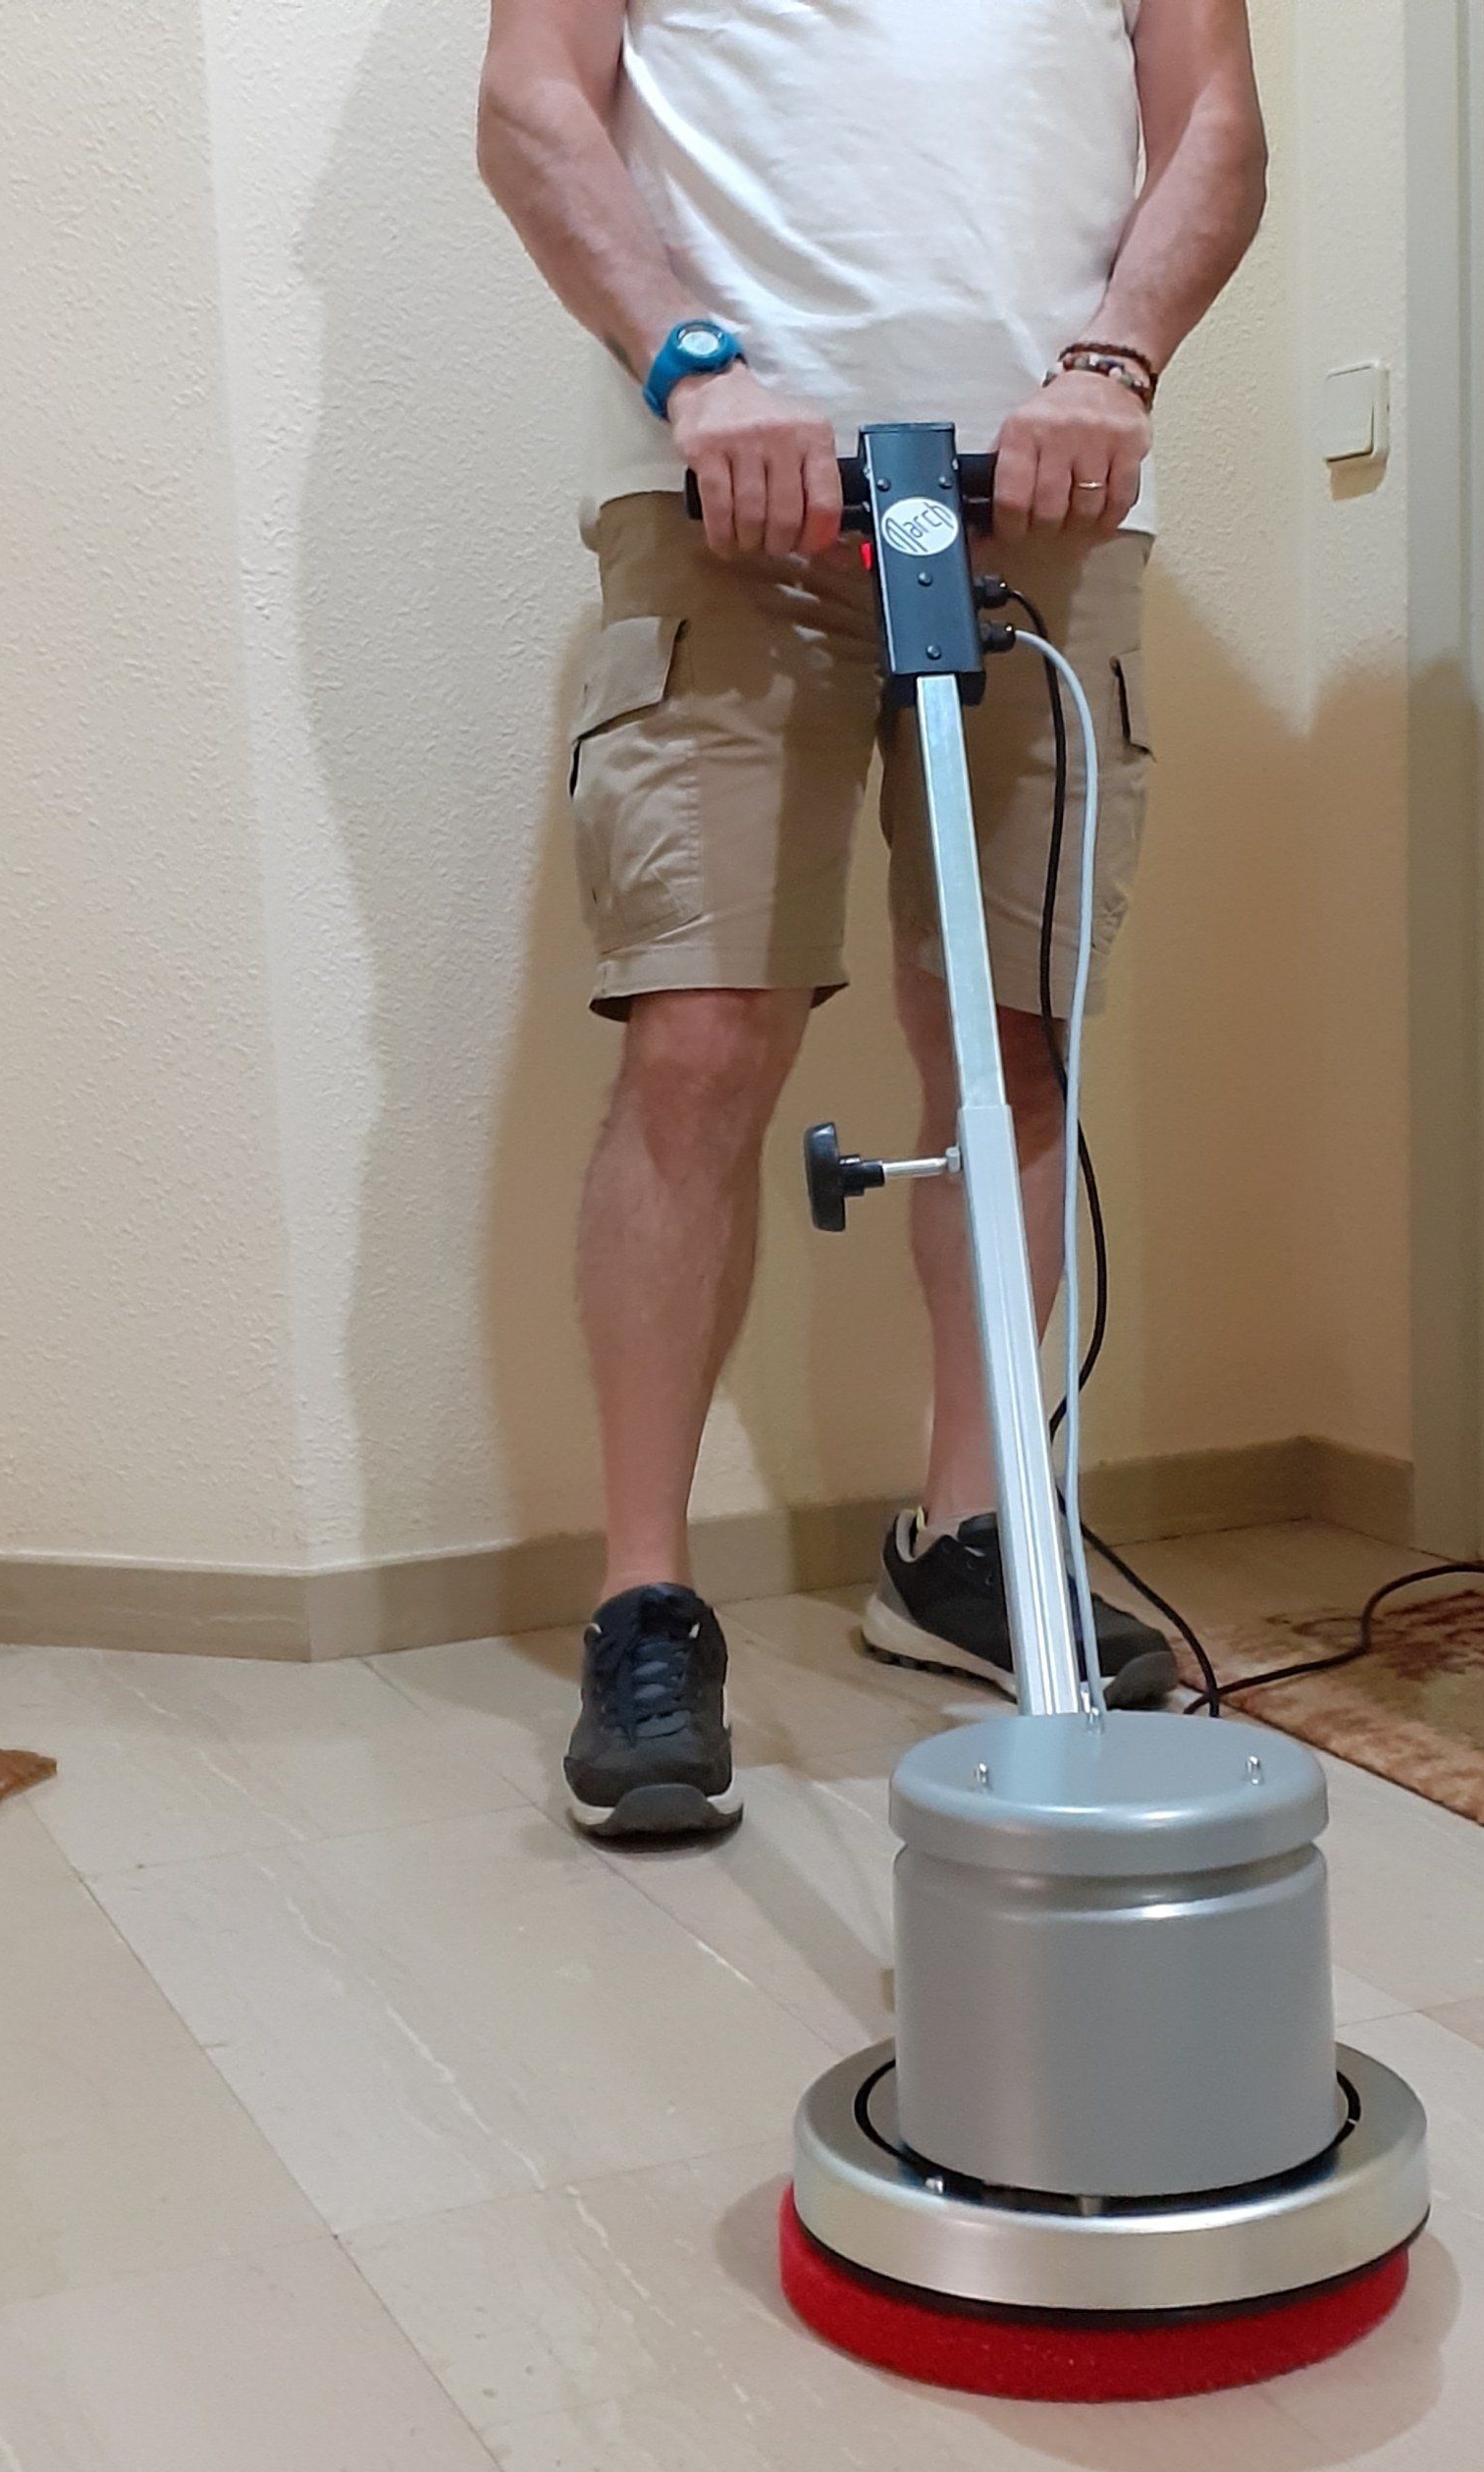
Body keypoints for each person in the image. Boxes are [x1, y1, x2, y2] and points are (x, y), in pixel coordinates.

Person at [479, 0, 1268, 1837]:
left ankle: (966, 1538)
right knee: (700, 1037)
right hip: (728, 491)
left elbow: (1215, 125)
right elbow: (531, 101)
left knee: (1012, 1043)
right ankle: (646, 1602)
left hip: (1047, 490)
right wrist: (691, 366)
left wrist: (1116, 363)